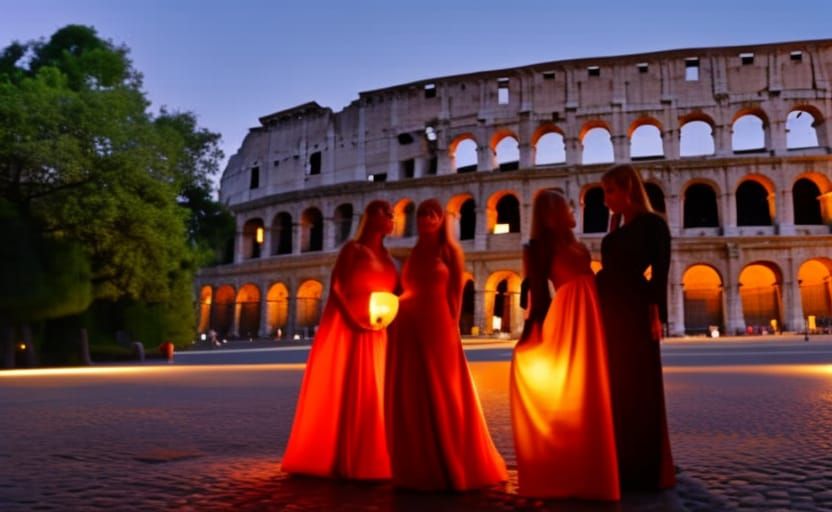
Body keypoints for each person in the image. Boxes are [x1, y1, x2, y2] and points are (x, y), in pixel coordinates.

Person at [385, 198, 507, 491]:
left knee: (442, 387)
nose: (426, 219)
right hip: (409, 322)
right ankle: (418, 460)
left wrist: (450, 329)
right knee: (415, 390)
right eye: (423, 214)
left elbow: (455, 296)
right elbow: (406, 288)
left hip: (437, 322)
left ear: (442, 219)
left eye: (433, 215)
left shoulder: (450, 251)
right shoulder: (413, 251)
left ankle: (448, 459)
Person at [510, 189, 619, 500]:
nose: (574, 210)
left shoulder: (577, 243)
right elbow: (540, 294)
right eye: (567, 206)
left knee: (590, 389)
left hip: (590, 312)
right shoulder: (537, 247)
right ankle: (564, 468)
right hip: (569, 314)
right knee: (572, 388)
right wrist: (532, 331)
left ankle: (590, 468)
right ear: (553, 213)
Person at [281, 200, 397, 480]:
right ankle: (349, 458)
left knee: (375, 392)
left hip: (378, 328)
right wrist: (353, 320)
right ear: (370, 217)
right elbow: (337, 287)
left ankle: (374, 455)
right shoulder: (353, 249)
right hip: (354, 326)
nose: (392, 217)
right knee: (355, 388)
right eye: (385, 212)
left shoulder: (388, 256)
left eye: (392, 213)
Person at [595, 164, 676, 491]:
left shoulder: (654, 225)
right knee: (616, 385)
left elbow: (660, 273)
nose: (605, 200)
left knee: (641, 388)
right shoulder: (614, 232)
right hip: (610, 314)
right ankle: (622, 456)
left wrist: (656, 316)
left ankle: (645, 464)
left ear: (628, 188)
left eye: (610, 191)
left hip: (635, 311)